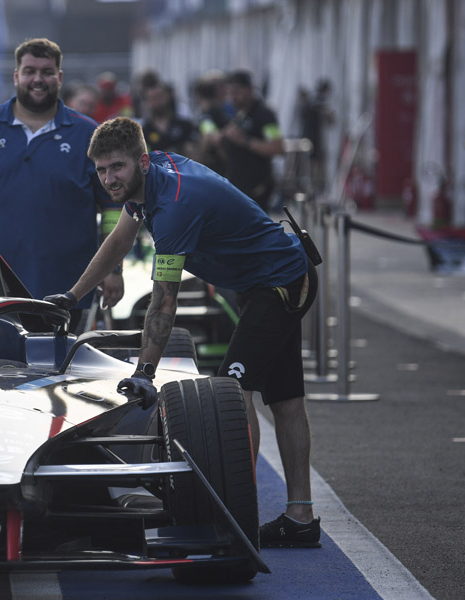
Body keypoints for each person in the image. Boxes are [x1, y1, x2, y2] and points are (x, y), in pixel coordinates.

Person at [44, 117, 321, 548]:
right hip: (264, 280)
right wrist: (72, 295)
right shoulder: (148, 178)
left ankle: (233, 513)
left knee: (232, 390)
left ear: (139, 161)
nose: (108, 179)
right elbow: (118, 240)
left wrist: (145, 370)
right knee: (285, 400)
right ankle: (300, 518)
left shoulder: (174, 208)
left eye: (116, 167)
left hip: (281, 282)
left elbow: (164, 301)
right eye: (100, 170)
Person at [0, 38, 122, 328]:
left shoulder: (88, 134)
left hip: (68, 292)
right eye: (29, 71)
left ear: (59, 78)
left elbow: (113, 208)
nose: (38, 79)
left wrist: (113, 268)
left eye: (47, 72)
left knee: (64, 372)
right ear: (16, 76)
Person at [220, 70, 284, 212]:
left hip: (257, 191)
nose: (233, 97)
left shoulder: (265, 115)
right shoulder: (238, 114)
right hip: (237, 188)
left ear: (250, 90)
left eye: (237, 92)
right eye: (230, 93)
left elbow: (278, 147)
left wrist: (246, 141)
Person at [140, 81, 197, 156]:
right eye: (153, 98)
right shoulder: (144, 131)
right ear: (147, 101)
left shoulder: (185, 126)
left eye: (160, 96)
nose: (157, 101)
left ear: (169, 96)